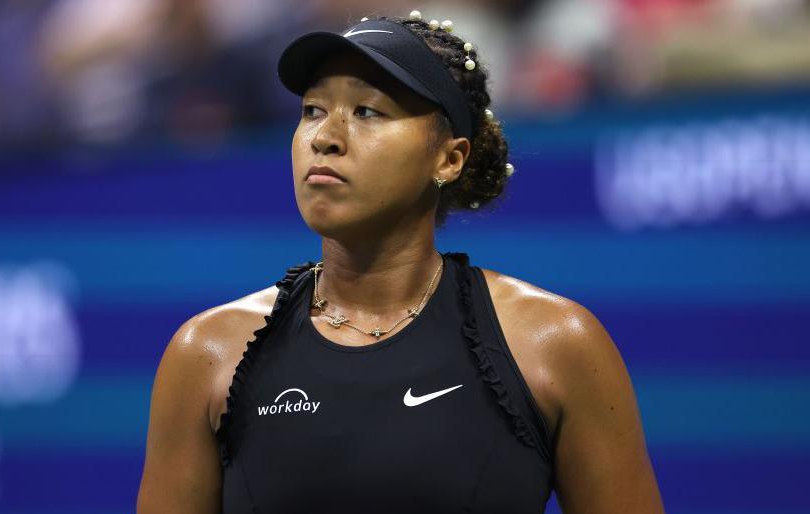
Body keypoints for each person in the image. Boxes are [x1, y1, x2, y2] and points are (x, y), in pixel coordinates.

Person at [136, 11, 666, 514]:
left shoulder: (556, 343)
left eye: (368, 112)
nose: (324, 137)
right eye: (312, 110)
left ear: (449, 158)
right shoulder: (206, 353)